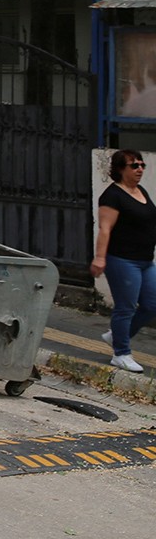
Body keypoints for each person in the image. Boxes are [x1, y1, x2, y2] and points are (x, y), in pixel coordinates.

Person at [92, 149, 153, 373]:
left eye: (142, 165)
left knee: (152, 304)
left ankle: (116, 335)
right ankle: (121, 353)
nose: (139, 169)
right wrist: (100, 258)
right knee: (125, 307)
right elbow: (105, 229)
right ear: (120, 169)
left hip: (145, 260)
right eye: (134, 165)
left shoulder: (140, 191)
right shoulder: (112, 196)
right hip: (122, 260)